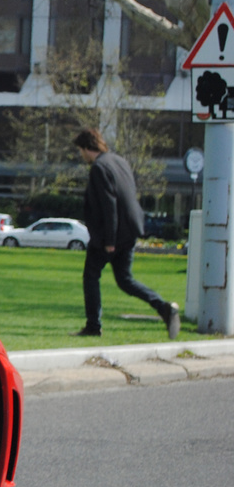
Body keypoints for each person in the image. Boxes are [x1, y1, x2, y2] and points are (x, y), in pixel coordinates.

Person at [73, 127, 179, 339]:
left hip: (109, 235)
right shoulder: (119, 161)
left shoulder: (99, 168)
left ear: (86, 148)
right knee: (125, 280)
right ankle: (164, 308)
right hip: (129, 230)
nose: (81, 155)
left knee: (90, 276)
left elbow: (109, 204)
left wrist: (109, 240)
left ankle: (93, 325)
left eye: (81, 151)